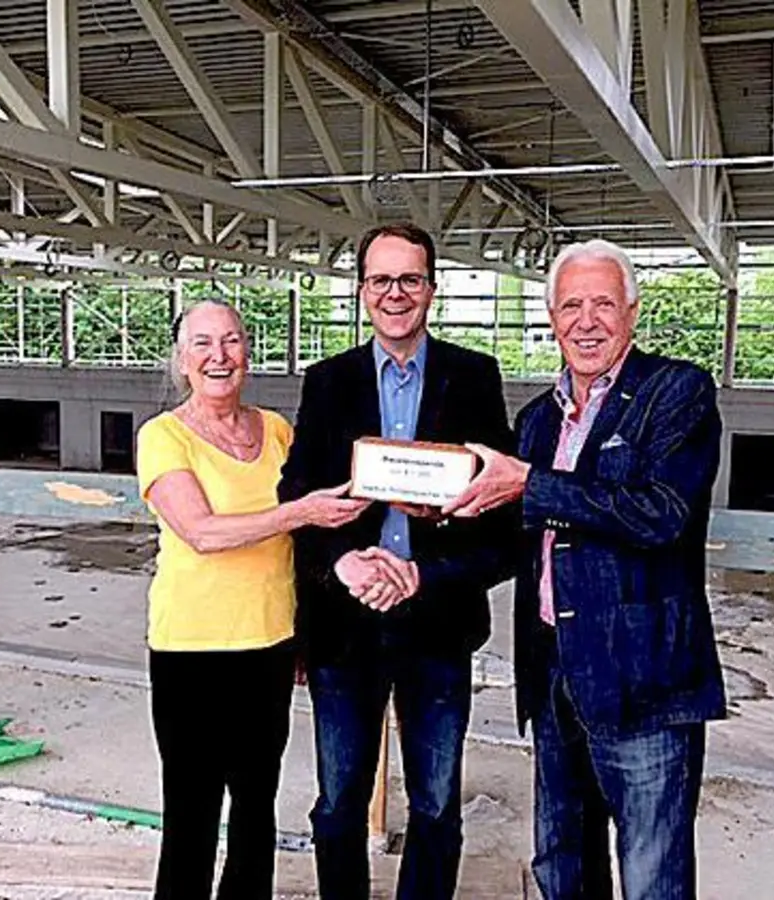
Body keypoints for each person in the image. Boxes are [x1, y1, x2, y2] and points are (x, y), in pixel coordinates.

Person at [445, 239, 727, 900]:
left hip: (644, 679)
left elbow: (661, 514)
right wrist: (432, 521)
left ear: (632, 312)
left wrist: (529, 484)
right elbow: (511, 524)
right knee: (562, 864)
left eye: (603, 303)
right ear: (551, 316)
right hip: (553, 674)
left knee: (652, 873)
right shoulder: (538, 420)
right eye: (571, 304)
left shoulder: (676, 391)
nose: (586, 320)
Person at [278, 222, 519, 900]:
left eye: (409, 279)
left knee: (437, 806)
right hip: (343, 629)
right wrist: (341, 563)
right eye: (381, 280)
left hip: (438, 625)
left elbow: (502, 518)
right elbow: (296, 497)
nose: (395, 293)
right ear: (362, 293)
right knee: (336, 807)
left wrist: (438, 540)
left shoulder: (474, 377)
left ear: (431, 290)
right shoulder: (328, 382)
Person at [137, 299, 372, 900]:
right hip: (192, 648)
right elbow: (203, 532)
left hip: (268, 644)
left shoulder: (277, 430)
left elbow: (301, 536)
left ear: (248, 352)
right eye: (204, 344)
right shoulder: (163, 437)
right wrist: (302, 510)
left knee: (256, 805)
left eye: (233, 342)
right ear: (182, 360)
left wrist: (301, 628)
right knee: (192, 808)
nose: (220, 356)